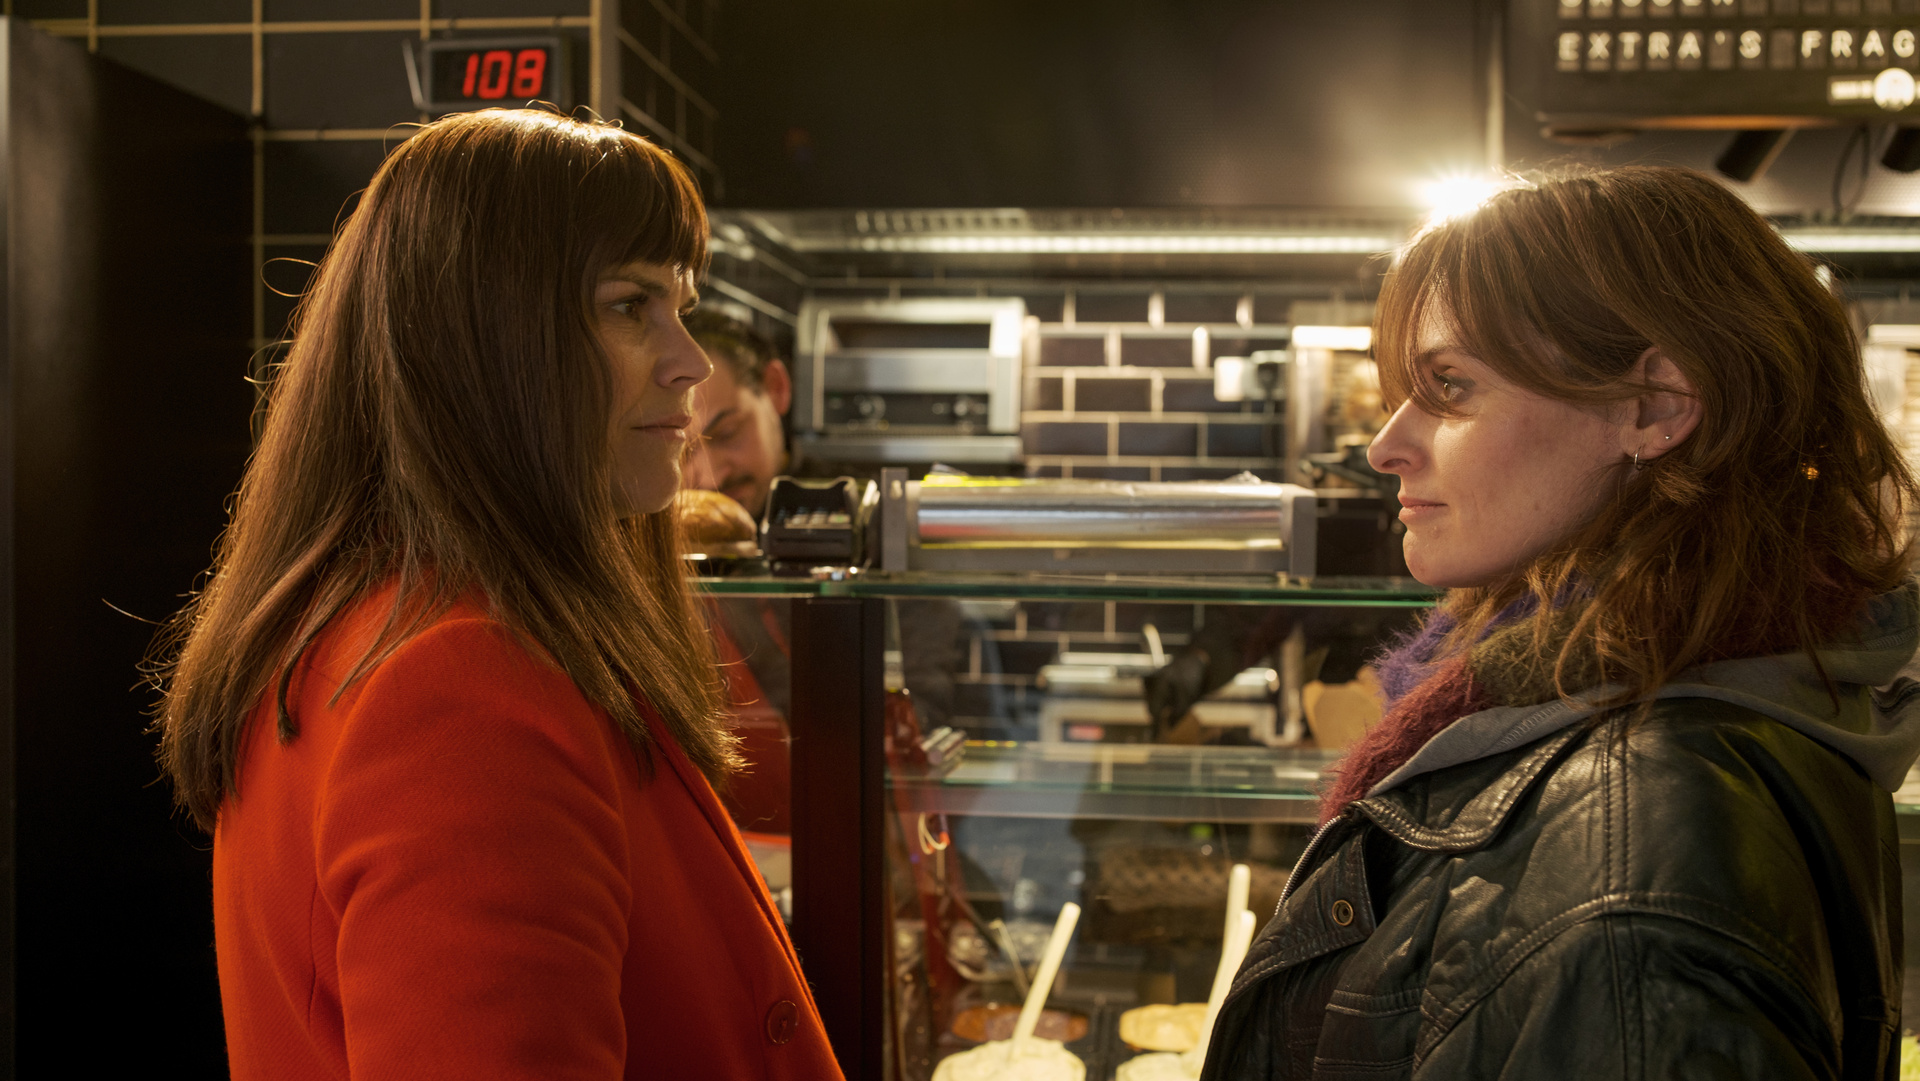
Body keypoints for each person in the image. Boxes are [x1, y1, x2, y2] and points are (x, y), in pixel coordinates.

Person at [150, 109, 843, 1080]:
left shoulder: (397, 621)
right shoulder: (455, 688)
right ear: (486, 342)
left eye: (678, 305)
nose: (687, 360)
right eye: (630, 305)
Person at [1202, 166, 1920, 1079]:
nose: (1386, 445)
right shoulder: (1717, 691)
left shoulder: (1630, 848)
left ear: (1656, 407)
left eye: (1451, 385)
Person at [684, 308, 793, 520]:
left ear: (775, 388)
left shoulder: (853, 511)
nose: (711, 480)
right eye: (681, 453)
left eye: (728, 433)